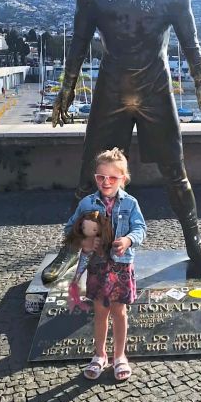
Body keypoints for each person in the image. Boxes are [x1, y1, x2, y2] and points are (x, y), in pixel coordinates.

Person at [44, 0, 201, 283]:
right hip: (111, 88)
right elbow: (78, 43)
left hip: (155, 88)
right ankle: (71, 248)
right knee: (88, 178)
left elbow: (191, 43)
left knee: (176, 172)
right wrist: (66, 88)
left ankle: (195, 243)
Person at [62, 148, 146, 382]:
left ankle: (120, 356)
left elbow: (141, 228)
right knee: (100, 312)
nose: (106, 182)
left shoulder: (130, 203)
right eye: (101, 177)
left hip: (121, 266)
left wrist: (129, 240)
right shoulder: (87, 203)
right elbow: (69, 228)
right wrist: (84, 240)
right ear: (95, 177)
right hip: (97, 265)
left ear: (123, 178)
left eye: (112, 177)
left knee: (119, 312)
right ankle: (100, 355)